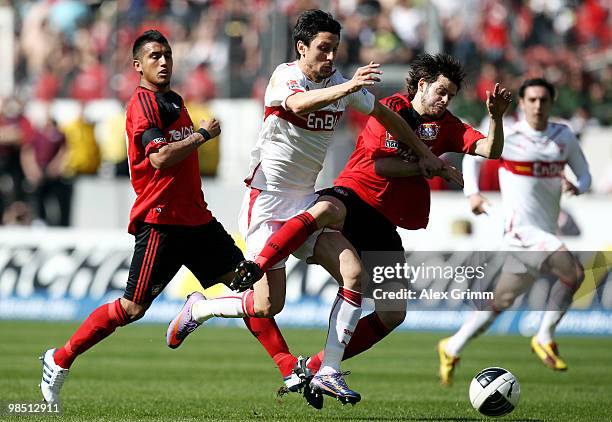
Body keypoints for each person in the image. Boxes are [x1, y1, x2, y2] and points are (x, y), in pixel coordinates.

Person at [167, 10, 447, 406]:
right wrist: (348, 87)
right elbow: (299, 105)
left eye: (335, 50)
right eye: (323, 49)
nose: (330, 58)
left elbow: (387, 117)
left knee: (353, 273)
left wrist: (423, 153)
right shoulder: (286, 77)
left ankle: (329, 370)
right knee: (267, 304)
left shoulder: (339, 83)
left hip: (306, 200)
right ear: (302, 48)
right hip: (266, 201)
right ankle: (203, 307)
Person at [237, 53, 511, 408]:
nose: (445, 100)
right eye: (441, 91)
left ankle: (316, 368)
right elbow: (382, 165)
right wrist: (431, 167)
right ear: (423, 84)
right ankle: (258, 264)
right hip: (353, 195)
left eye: (451, 96)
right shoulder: (390, 108)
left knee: (393, 312)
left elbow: (491, 149)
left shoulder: (448, 124)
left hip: (384, 222)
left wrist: (496, 118)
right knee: (324, 210)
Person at [38, 30, 244, 406]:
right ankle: (60, 358)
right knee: (132, 308)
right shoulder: (143, 105)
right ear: (138, 66)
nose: (163, 61)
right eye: (154, 56)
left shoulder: (175, 100)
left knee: (248, 286)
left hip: (196, 219)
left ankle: (293, 371)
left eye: (167, 54)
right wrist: (201, 135)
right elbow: (160, 158)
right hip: (161, 222)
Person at [437, 78, 591, 385]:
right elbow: (472, 159)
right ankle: (544, 336)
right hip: (521, 231)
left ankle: (451, 345)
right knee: (574, 273)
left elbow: (585, 174)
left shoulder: (563, 137)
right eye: (531, 100)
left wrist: (578, 186)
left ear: (551, 102)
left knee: (500, 302)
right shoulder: (511, 134)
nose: (537, 105)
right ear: (521, 104)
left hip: (543, 231)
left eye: (543, 100)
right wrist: (473, 194)